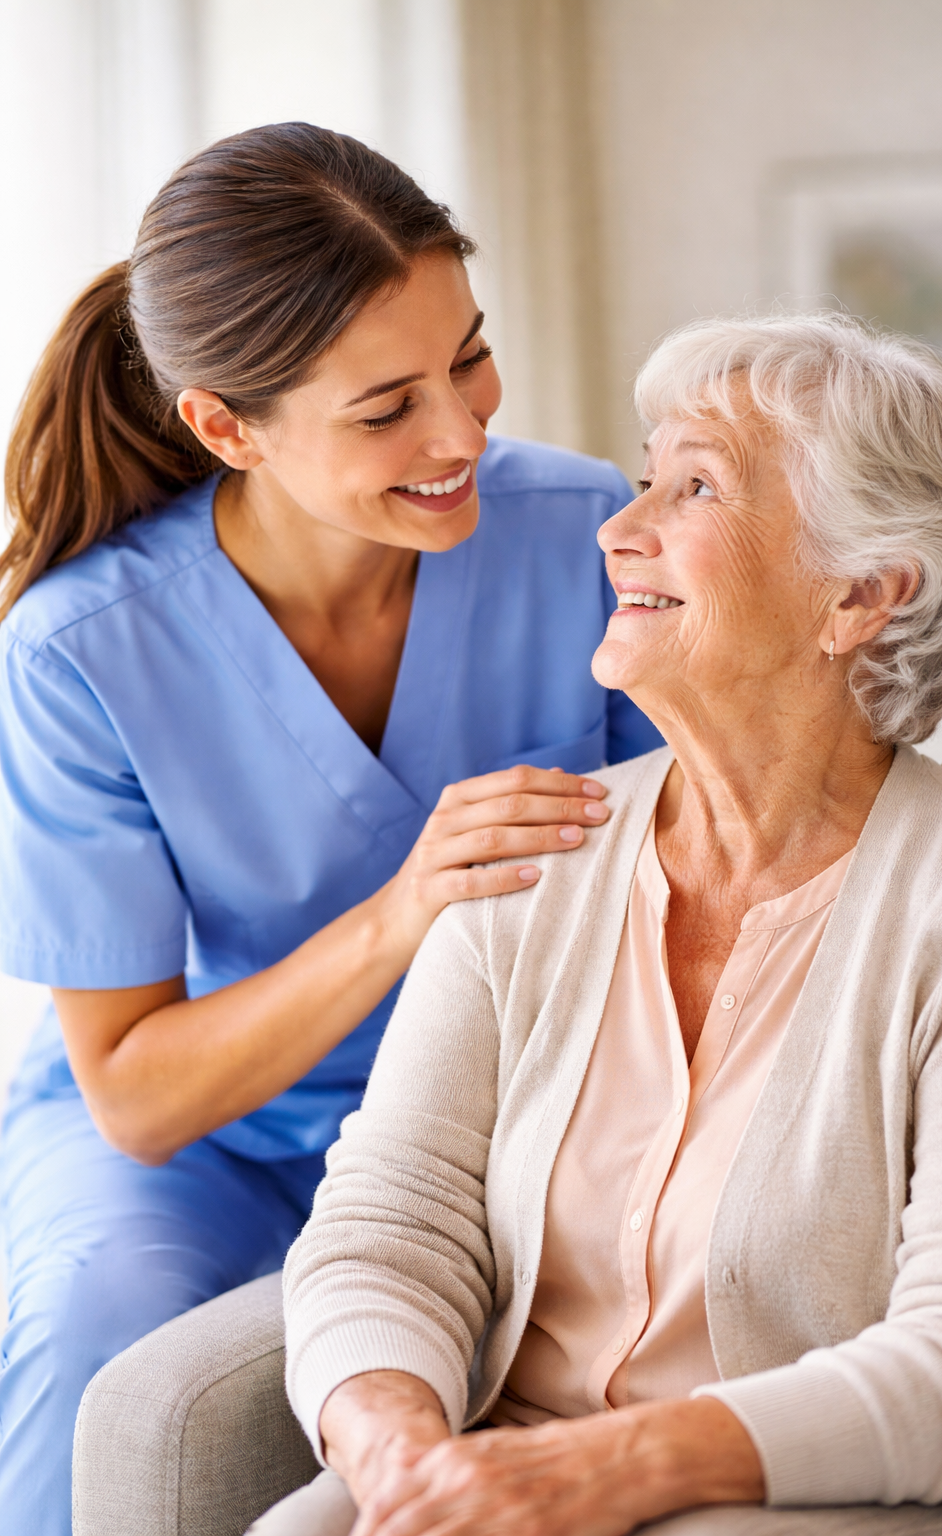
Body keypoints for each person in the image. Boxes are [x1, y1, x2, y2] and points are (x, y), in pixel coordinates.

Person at [0, 124, 661, 1535]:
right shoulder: (80, 652)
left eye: (470, 359)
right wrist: (402, 910)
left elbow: (734, 815)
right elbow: (136, 1095)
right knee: (98, 1320)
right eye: (386, 409)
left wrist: (926, 800)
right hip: (205, 1143)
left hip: (499, 1113)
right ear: (226, 428)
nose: (461, 433)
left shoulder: (582, 528)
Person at [274, 313, 942, 1534]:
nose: (618, 530)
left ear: (860, 596)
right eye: (642, 480)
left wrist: (599, 1471)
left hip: (783, 1498)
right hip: (489, 1475)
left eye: (697, 487)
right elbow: (388, 1222)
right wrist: (399, 1451)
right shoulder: (530, 858)